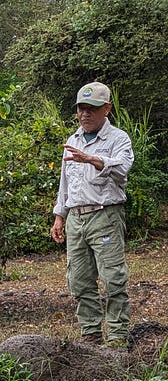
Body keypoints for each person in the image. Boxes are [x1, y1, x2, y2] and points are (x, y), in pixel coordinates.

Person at [50, 81, 134, 347]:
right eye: (81, 108)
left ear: (107, 108)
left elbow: (122, 169)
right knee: (79, 279)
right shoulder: (72, 140)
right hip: (76, 217)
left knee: (112, 278)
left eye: (92, 108)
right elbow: (65, 183)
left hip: (104, 215)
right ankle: (90, 334)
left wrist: (93, 159)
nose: (85, 114)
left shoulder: (118, 139)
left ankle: (118, 336)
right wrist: (59, 216)